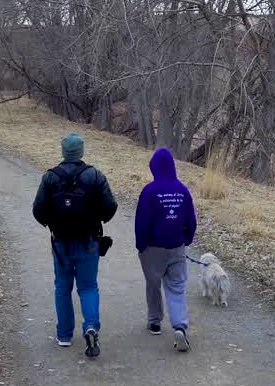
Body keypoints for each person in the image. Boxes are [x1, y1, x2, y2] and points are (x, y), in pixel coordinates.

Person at [32, 133, 118, 358]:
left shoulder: (50, 177)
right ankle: (91, 326)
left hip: (60, 242)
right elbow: (110, 206)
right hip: (89, 241)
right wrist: (97, 219)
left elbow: (38, 211)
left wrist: (52, 223)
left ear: (63, 151)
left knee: (62, 286)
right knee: (88, 286)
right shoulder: (95, 175)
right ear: (81, 151)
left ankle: (64, 335)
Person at [134, 148, 197, 352]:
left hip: (153, 249)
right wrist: (185, 240)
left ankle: (154, 321)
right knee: (177, 287)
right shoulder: (183, 190)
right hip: (177, 247)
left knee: (153, 284)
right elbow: (191, 221)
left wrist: (140, 245)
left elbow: (142, 222)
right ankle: (179, 326)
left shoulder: (149, 191)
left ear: (154, 166)